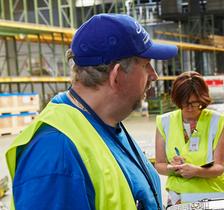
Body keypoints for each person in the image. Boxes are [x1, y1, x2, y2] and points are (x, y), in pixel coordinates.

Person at [5, 14, 178, 210]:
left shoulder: (106, 124)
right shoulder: (57, 154)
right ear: (117, 75)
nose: (154, 75)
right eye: (146, 65)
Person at [154, 71, 224, 206]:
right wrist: (173, 167)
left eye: (195, 103)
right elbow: (159, 165)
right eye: (185, 103)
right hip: (178, 199)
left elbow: (219, 167)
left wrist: (196, 171)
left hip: (213, 197)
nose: (190, 108)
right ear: (177, 100)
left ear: (202, 99)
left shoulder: (217, 121)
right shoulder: (164, 122)